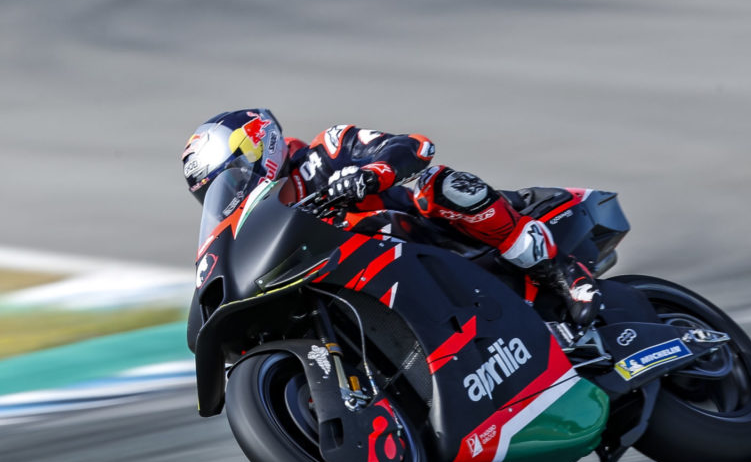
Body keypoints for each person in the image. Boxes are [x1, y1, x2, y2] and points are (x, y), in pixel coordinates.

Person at [182, 109, 600, 326]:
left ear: (258, 150)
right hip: (383, 286)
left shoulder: (325, 151)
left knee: (438, 185)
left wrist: (368, 175)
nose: (232, 192)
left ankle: (561, 269)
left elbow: (414, 147)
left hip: (435, 238)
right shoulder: (268, 224)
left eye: (233, 177)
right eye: (217, 192)